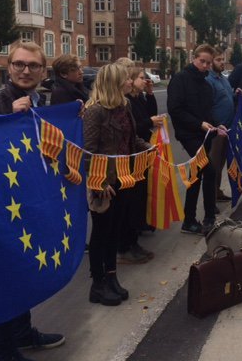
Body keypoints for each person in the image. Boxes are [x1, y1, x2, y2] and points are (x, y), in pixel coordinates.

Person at [0, 42, 65, 361]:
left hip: (27, 201)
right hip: (0, 207)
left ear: (43, 70)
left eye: (33, 66)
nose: (26, 71)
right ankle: (5, 351)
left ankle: (23, 333)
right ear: (9, 67)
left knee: (24, 270)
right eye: (19, 64)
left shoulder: (41, 100)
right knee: (4, 278)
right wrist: (5, 120)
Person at [84, 63, 152, 306]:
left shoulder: (125, 106)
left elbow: (131, 138)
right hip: (105, 183)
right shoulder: (95, 112)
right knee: (101, 234)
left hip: (125, 178)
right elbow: (89, 152)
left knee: (114, 232)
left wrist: (148, 148)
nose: (130, 82)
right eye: (125, 79)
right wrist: (98, 183)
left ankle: (112, 278)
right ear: (114, 83)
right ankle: (98, 284)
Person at [167, 44, 226, 235]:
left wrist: (218, 125)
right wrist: (199, 123)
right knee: (208, 170)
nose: (206, 66)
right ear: (194, 59)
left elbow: (208, 111)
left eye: (209, 63)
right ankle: (209, 217)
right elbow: (175, 110)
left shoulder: (205, 83)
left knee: (196, 175)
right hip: (188, 135)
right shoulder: (180, 79)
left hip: (205, 134)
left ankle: (189, 220)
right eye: (203, 61)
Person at [117, 66, 164, 264]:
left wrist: (151, 95)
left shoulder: (136, 99)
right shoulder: (124, 102)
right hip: (127, 158)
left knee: (137, 199)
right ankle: (125, 246)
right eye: (139, 78)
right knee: (128, 203)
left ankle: (133, 240)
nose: (145, 81)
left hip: (139, 151)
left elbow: (146, 119)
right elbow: (136, 126)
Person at [206, 48, 235, 202]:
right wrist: (215, 125)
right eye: (218, 60)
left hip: (227, 128)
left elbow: (227, 96)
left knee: (221, 163)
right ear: (211, 63)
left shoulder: (223, 78)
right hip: (216, 129)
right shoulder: (209, 80)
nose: (222, 62)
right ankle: (211, 197)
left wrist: (236, 93)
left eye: (223, 59)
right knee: (214, 164)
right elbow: (207, 106)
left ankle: (216, 192)